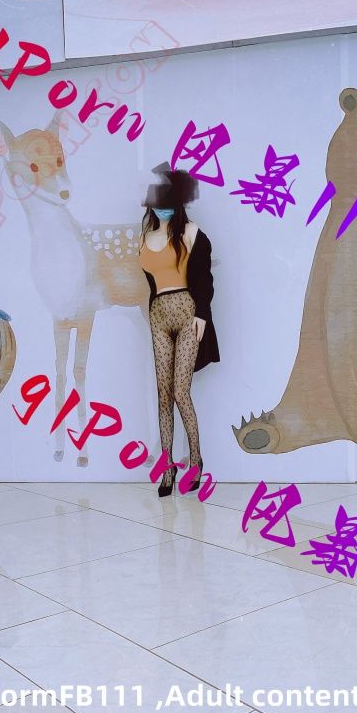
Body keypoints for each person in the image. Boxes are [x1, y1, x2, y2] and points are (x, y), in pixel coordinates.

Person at [138, 163, 219, 496]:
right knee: (163, 392)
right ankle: (168, 467)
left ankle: (196, 460)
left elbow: (203, 277)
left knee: (180, 391)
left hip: (186, 312)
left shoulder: (190, 232)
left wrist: (202, 315)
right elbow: (151, 282)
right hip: (158, 314)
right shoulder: (146, 237)